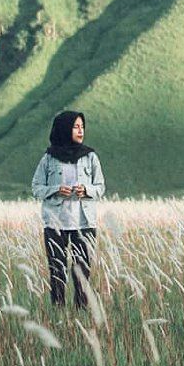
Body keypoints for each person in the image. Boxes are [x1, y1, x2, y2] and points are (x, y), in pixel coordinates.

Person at [31, 110, 105, 308]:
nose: (80, 131)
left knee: (83, 270)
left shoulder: (90, 157)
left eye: (82, 126)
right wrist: (56, 190)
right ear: (64, 129)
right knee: (57, 269)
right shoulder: (48, 158)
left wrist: (86, 190)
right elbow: (36, 188)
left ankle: (81, 311)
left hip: (84, 221)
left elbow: (100, 187)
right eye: (75, 126)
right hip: (55, 222)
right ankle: (58, 310)